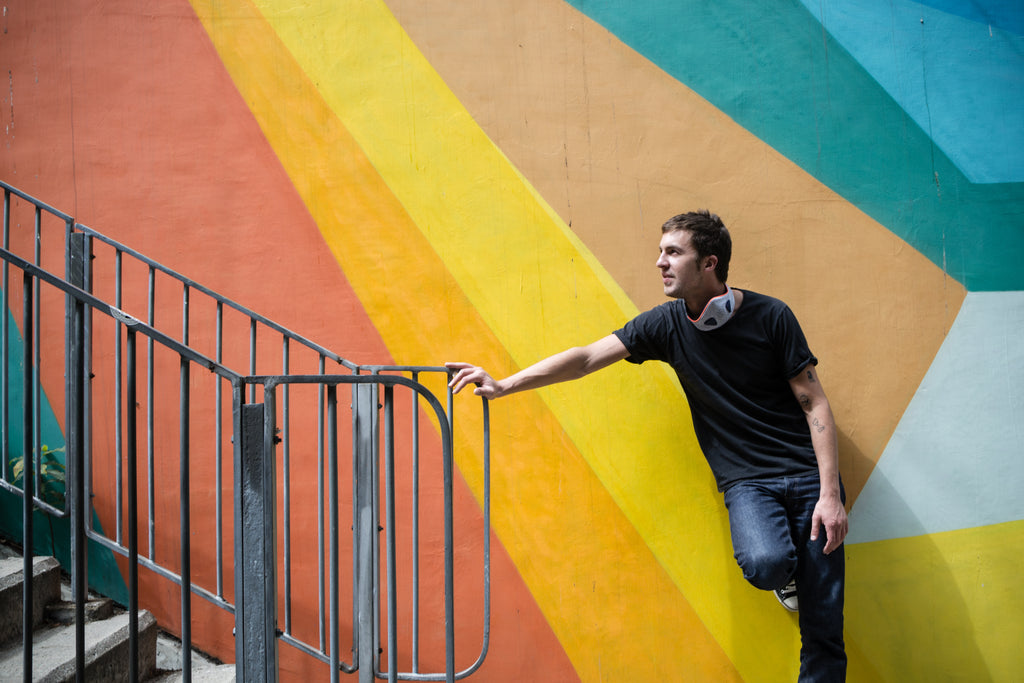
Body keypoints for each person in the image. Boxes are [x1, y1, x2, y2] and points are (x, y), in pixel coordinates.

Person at [447, 210, 848, 682]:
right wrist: (504, 385)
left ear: (709, 265)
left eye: (673, 253)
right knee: (765, 563)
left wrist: (829, 495)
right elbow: (586, 358)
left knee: (824, 630)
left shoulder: (772, 316)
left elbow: (813, 402)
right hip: (748, 483)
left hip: (808, 476)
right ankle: (787, 576)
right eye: (661, 252)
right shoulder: (664, 325)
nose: (660, 262)